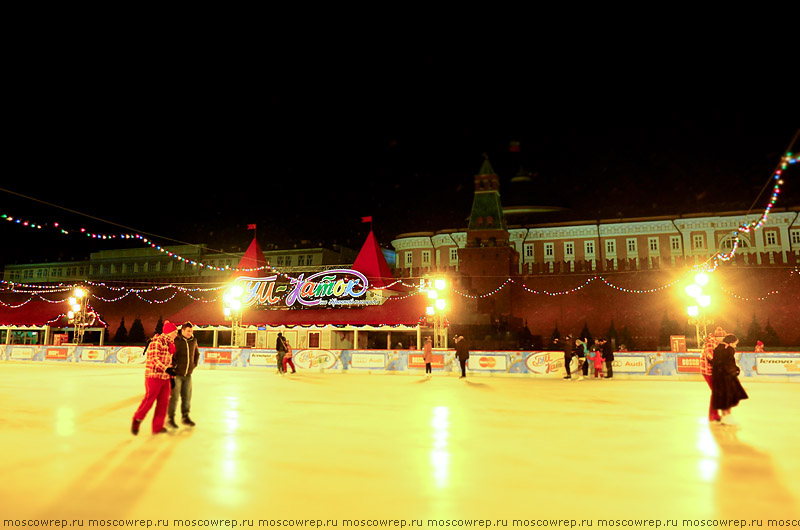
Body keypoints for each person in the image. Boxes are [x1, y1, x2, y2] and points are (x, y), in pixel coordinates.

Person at [131, 321, 178, 435]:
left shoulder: (170, 344)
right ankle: (137, 419)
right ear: (169, 332)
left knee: (163, 402)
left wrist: (171, 377)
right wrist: (166, 369)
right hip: (154, 376)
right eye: (175, 332)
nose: (176, 334)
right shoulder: (157, 342)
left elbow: (169, 362)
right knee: (149, 400)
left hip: (165, 377)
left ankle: (157, 426)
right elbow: (154, 359)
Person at [167, 322, 199, 429]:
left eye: (191, 331)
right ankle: (170, 418)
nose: (190, 333)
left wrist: (192, 366)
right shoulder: (176, 340)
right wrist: (173, 367)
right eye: (188, 331)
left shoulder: (193, 341)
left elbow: (197, 354)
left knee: (187, 397)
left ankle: (185, 417)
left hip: (188, 375)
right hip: (177, 374)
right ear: (183, 330)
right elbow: (170, 354)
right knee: (175, 397)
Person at [712, 334, 749, 426]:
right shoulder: (728, 350)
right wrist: (735, 370)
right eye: (735, 344)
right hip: (726, 377)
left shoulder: (718, 349)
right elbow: (728, 363)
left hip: (719, 377)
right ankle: (727, 416)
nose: (735, 346)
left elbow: (715, 362)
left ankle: (726, 416)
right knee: (728, 396)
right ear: (731, 342)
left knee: (723, 397)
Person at [700, 333, 721, 423]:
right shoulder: (711, 343)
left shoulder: (715, 343)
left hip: (710, 371)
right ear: (718, 337)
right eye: (722, 337)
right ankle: (713, 415)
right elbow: (711, 357)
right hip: (708, 371)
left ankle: (713, 415)